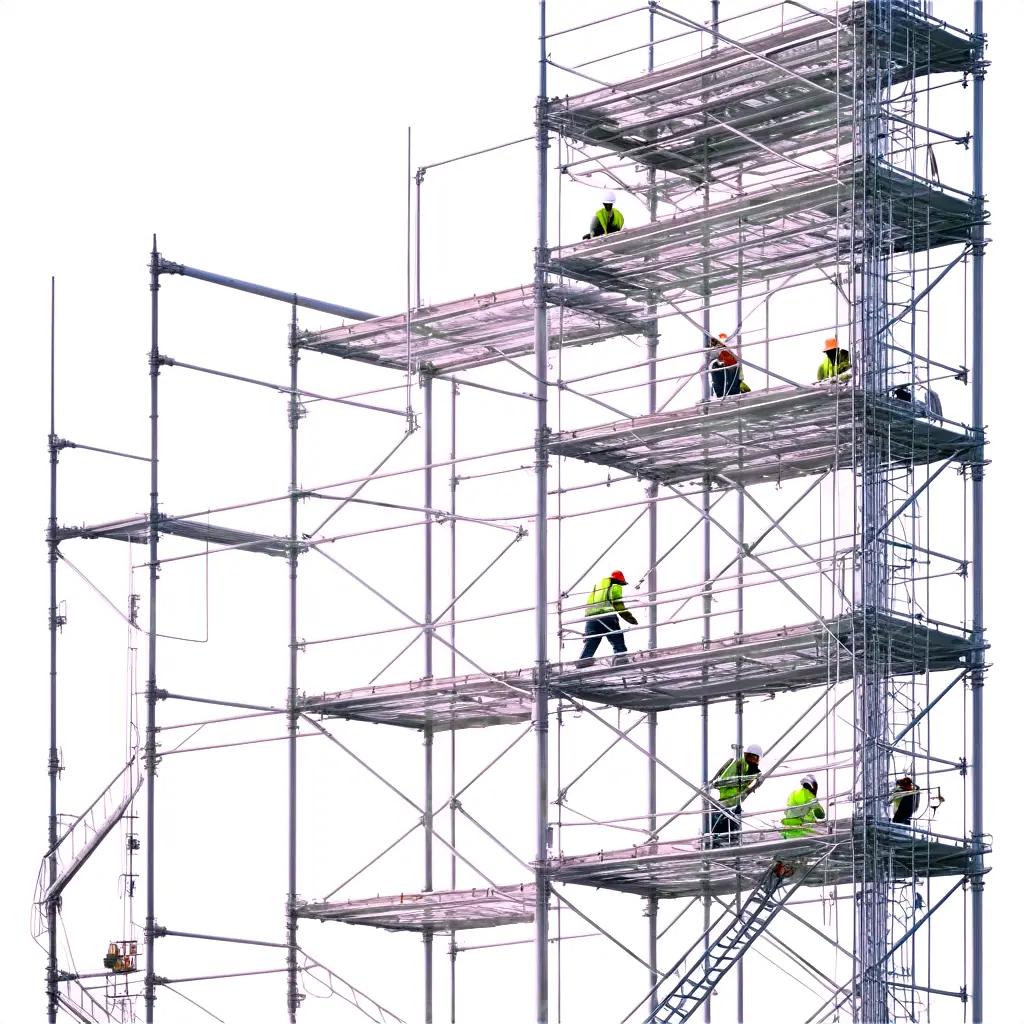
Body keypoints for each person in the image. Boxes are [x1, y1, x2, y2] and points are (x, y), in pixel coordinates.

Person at [577, 570, 638, 665]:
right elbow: (618, 604)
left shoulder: (597, 587)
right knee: (617, 637)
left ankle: (583, 662)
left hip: (591, 619)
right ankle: (621, 658)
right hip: (607, 617)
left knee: (592, 640)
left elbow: (588, 603)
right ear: (618, 580)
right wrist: (628, 617)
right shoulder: (615, 586)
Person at [708, 743, 763, 847]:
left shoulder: (742, 763)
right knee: (729, 829)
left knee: (727, 828)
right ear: (754, 756)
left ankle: (726, 840)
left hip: (729, 801)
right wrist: (754, 784)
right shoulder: (743, 764)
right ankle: (728, 844)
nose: (756, 761)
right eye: (756, 758)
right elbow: (743, 782)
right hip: (730, 801)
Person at [780, 774, 826, 838]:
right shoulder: (810, 797)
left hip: (787, 829)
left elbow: (788, 811)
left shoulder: (794, 792)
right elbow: (820, 815)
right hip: (801, 832)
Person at [708, 333, 751, 398]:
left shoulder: (730, 348)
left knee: (728, 388)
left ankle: (725, 396)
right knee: (723, 387)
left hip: (730, 368)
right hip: (725, 368)